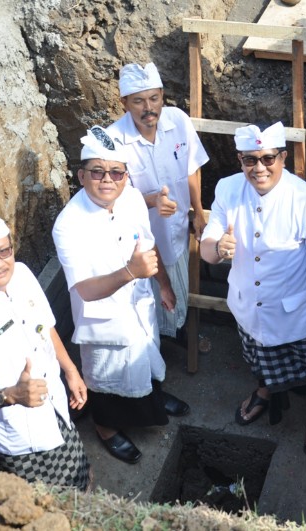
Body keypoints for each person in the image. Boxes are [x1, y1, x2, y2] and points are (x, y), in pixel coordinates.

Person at [52, 126, 190, 465]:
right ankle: (105, 428)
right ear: (81, 176)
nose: (107, 179)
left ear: (126, 177)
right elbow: (84, 289)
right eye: (97, 172)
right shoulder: (68, 225)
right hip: (104, 321)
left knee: (146, 356)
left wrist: (164, 284)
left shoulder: (130, 198)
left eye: (116, 172)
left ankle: (152, 398)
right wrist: (130, 272)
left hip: (139, 305)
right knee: (107, 378)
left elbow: (147, 245)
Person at [200, 122, 306, 456]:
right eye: (250, 160)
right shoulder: (228, 189)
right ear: (240, 160)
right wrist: (218, 247)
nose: (259, 168)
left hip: (296, 316)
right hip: (248, 306)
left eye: (267, 158)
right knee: (258, 358)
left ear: (283, 158)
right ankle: (264, 391)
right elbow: (206, 247)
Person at [0, 212, 90, 489]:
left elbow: (46, 326)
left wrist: (70, 370)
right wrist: (10, 395)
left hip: (55, 405)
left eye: (4, 251)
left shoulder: (21, 274)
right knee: (47, 502)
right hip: (21, 439)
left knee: (80, 479)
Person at [105, 62, 210, 343]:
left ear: (162, 95)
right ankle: (156, 343)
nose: (148, 107)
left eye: (154, 98)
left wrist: (198, 212)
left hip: (177, 227)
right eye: (138, 101)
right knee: (147, 296)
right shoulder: (113, 141)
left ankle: (177, 333)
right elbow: (109, 199)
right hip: (139, 239)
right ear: (124, 103)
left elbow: (191, 167)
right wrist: (151, 200)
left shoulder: (178, 121)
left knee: (176, 289)